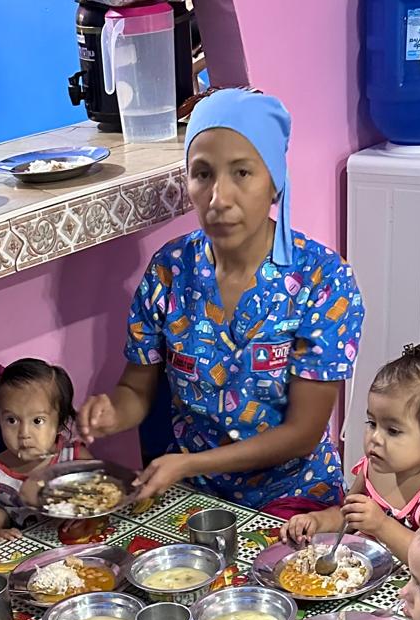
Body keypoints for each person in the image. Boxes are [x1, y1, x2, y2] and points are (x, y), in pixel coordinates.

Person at [77, 88, 365, 516]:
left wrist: (190, 464)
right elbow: (136, 389)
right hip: (193, 495)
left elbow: (302, 433)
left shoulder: (322, 280)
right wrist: (112, 413)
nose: (219, 198)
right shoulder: (170, 270)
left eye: (242, 173)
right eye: (203, 174)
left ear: (274, 182)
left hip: (295, 499)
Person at [282, 345, 420, 563]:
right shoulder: (372, 468)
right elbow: (347, 515)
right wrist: (316, 521)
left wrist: (382, 525)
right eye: (372, 423)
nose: (375, 438)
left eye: (392, 431)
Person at [0, 359, 91, 542]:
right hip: (21, 544)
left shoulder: (72, 456)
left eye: (37, 421)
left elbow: (101, 488)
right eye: (12, 420)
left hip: (69, 535)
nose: (24, 434)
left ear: (59, 422)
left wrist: (82, 507)